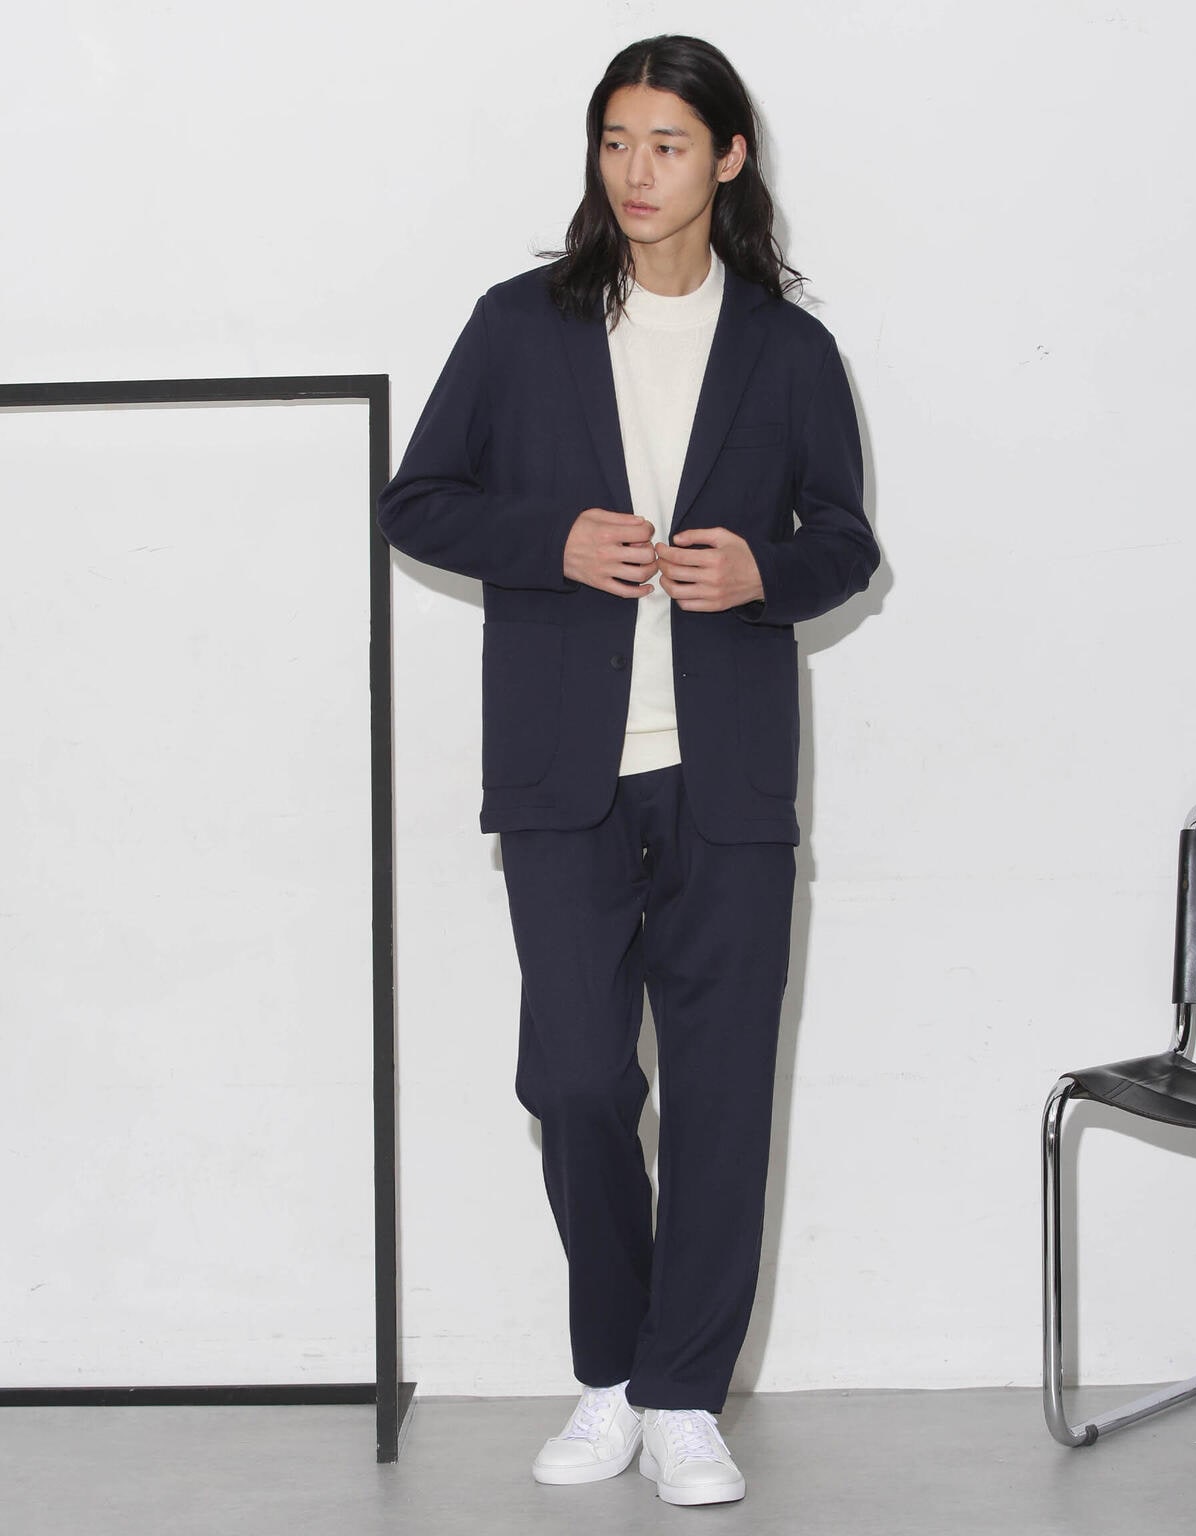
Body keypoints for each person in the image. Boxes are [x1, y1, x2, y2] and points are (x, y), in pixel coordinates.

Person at [377, 33, 879, 1507]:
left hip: (728, 783)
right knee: (579, 1079)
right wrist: (551, 540)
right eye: (616, 142)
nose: (637, 172)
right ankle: (612, 1365)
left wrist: (763, 572)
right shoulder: (520, 326)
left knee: (721, 1098)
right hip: (563, 778)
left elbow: (847, 542)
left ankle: (682, 1398)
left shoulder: (788, 350)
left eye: (667, 143)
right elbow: (418, 501)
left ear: (729, 158)